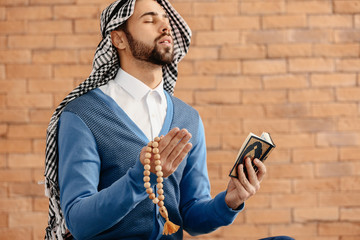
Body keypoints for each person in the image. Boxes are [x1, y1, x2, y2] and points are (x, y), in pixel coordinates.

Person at [43, 0, 294, 239]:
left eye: (166, 19)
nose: (165, 26)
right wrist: (142, 177)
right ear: (118, 38)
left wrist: (229, 201)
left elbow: (192, 217)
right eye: (149, 20)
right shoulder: (83, 114)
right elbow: (79, 222)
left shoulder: (188, 118)